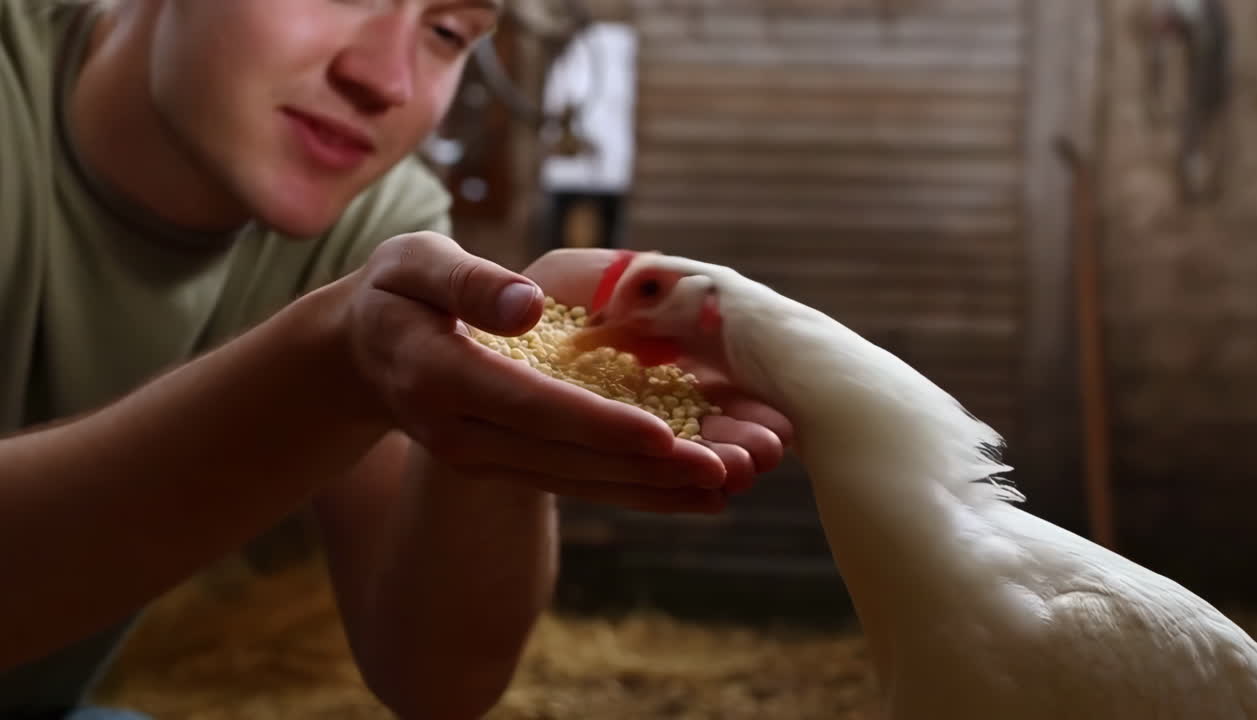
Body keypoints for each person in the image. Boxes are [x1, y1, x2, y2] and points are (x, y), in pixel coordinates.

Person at [0, 0, 793, 717]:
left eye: (447, 33)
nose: (384, 78)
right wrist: (323, 374)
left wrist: (492, 413)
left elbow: (437, 684)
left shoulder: (383, 218)